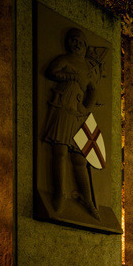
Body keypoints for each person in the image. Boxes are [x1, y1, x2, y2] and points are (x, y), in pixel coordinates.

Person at [42, 28, 99, 217]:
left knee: (79, 158)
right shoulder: (65, 59)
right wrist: (72, 76)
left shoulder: (87, 68)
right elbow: (52, 71)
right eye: (73, 40)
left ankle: (88, 201)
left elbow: (93, 90)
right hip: (62, 107)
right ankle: (59, 194)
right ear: (68, 43)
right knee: (60, 151)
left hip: (78, 113)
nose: (76, 44)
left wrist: (86, 108)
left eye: (79, 41)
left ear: (85, 45)